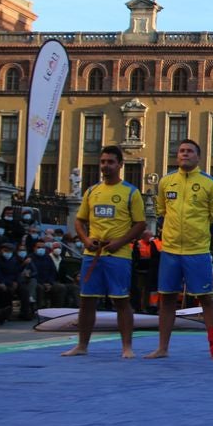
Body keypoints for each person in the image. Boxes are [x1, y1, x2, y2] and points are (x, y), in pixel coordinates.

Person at [145, 139, 213, 360]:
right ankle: (162, 348)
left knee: (206, 299)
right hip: (170, 251)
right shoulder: (166, 182)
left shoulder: (210, 183)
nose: (185, 154)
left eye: (189, 151)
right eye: (181, 151)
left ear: (198, 157)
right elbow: (161, 211)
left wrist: (201, 235)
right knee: (167, 298)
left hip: (197, 251)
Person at [61, 146, 146, 357]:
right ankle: (82, 345)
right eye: (103, 162)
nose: (105, 166)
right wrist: (85, 240)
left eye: (110, 162)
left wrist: (120, 242)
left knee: (121, 301)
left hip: (119, 255)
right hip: (93, 254)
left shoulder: (131, 192)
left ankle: (127, 347)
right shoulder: (91, 191)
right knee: (87, 300)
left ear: (120, 165)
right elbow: (79, 221)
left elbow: (140, 224)